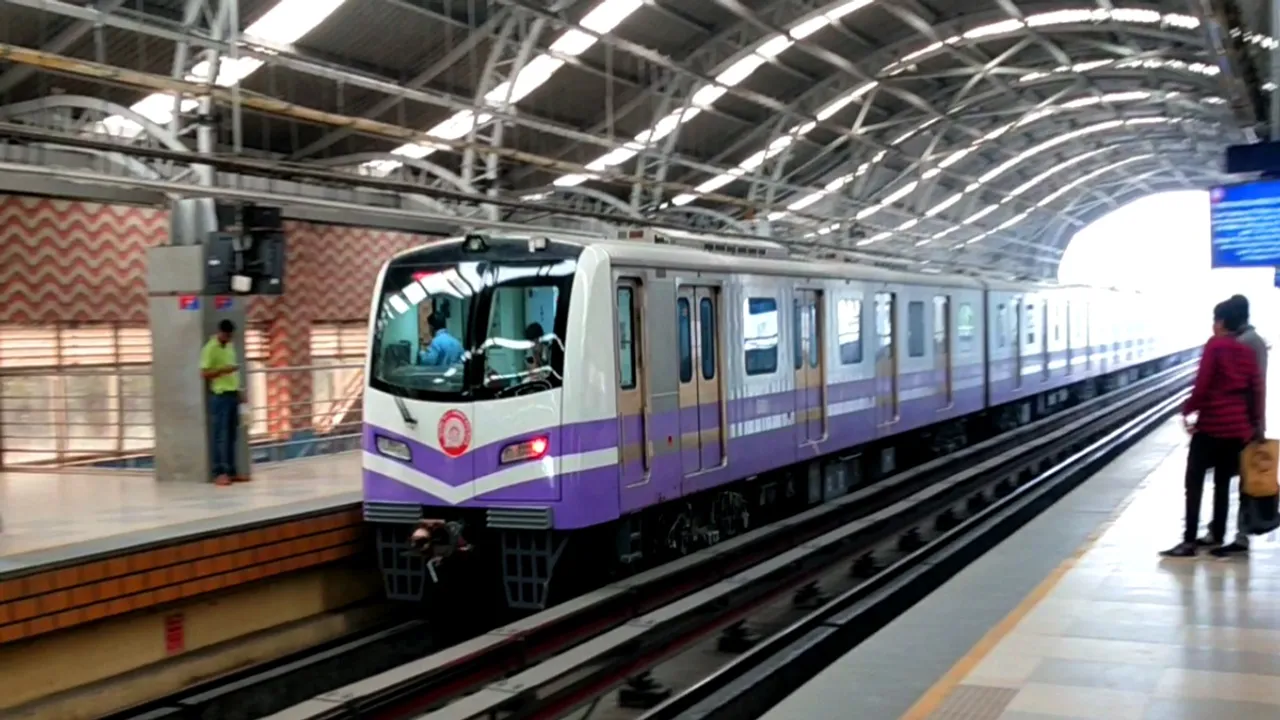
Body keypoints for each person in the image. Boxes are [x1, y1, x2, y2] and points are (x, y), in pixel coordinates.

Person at [1161, 301, 1264, 557]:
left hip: (1212, 427)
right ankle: (1218, 535)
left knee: (1194, 481)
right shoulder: (1247, 352)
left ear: (1220, 322)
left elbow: (1203, 384)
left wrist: (1188, 409)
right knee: (1223, 481)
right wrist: (1254, 424)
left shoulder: (1215, 345)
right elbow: (1257, 390)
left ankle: (1189, 541)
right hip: (1239, 430)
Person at [1212, 294, 1270, 557]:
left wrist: (1256, 423)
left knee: (1245, 480)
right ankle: (1225, 531)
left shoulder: (1247, 343)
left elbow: (1254, 386)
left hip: (1244, 423)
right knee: (1232, 477)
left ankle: (1241, 535)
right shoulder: (1249, 341)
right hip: (1243, 421)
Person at [201, 319, 247, 487]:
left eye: (230, 336)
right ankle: (218, 472)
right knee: (220, 436)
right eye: (227, 335)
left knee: (231, 436)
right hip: (220, 396)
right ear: (221, 332)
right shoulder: (210, 348)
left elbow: (234, 372)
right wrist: (222, 371)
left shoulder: (229, 346)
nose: (229, 339)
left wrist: (240, 391)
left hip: (232, 394)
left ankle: (231, 471)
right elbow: (204, 373)